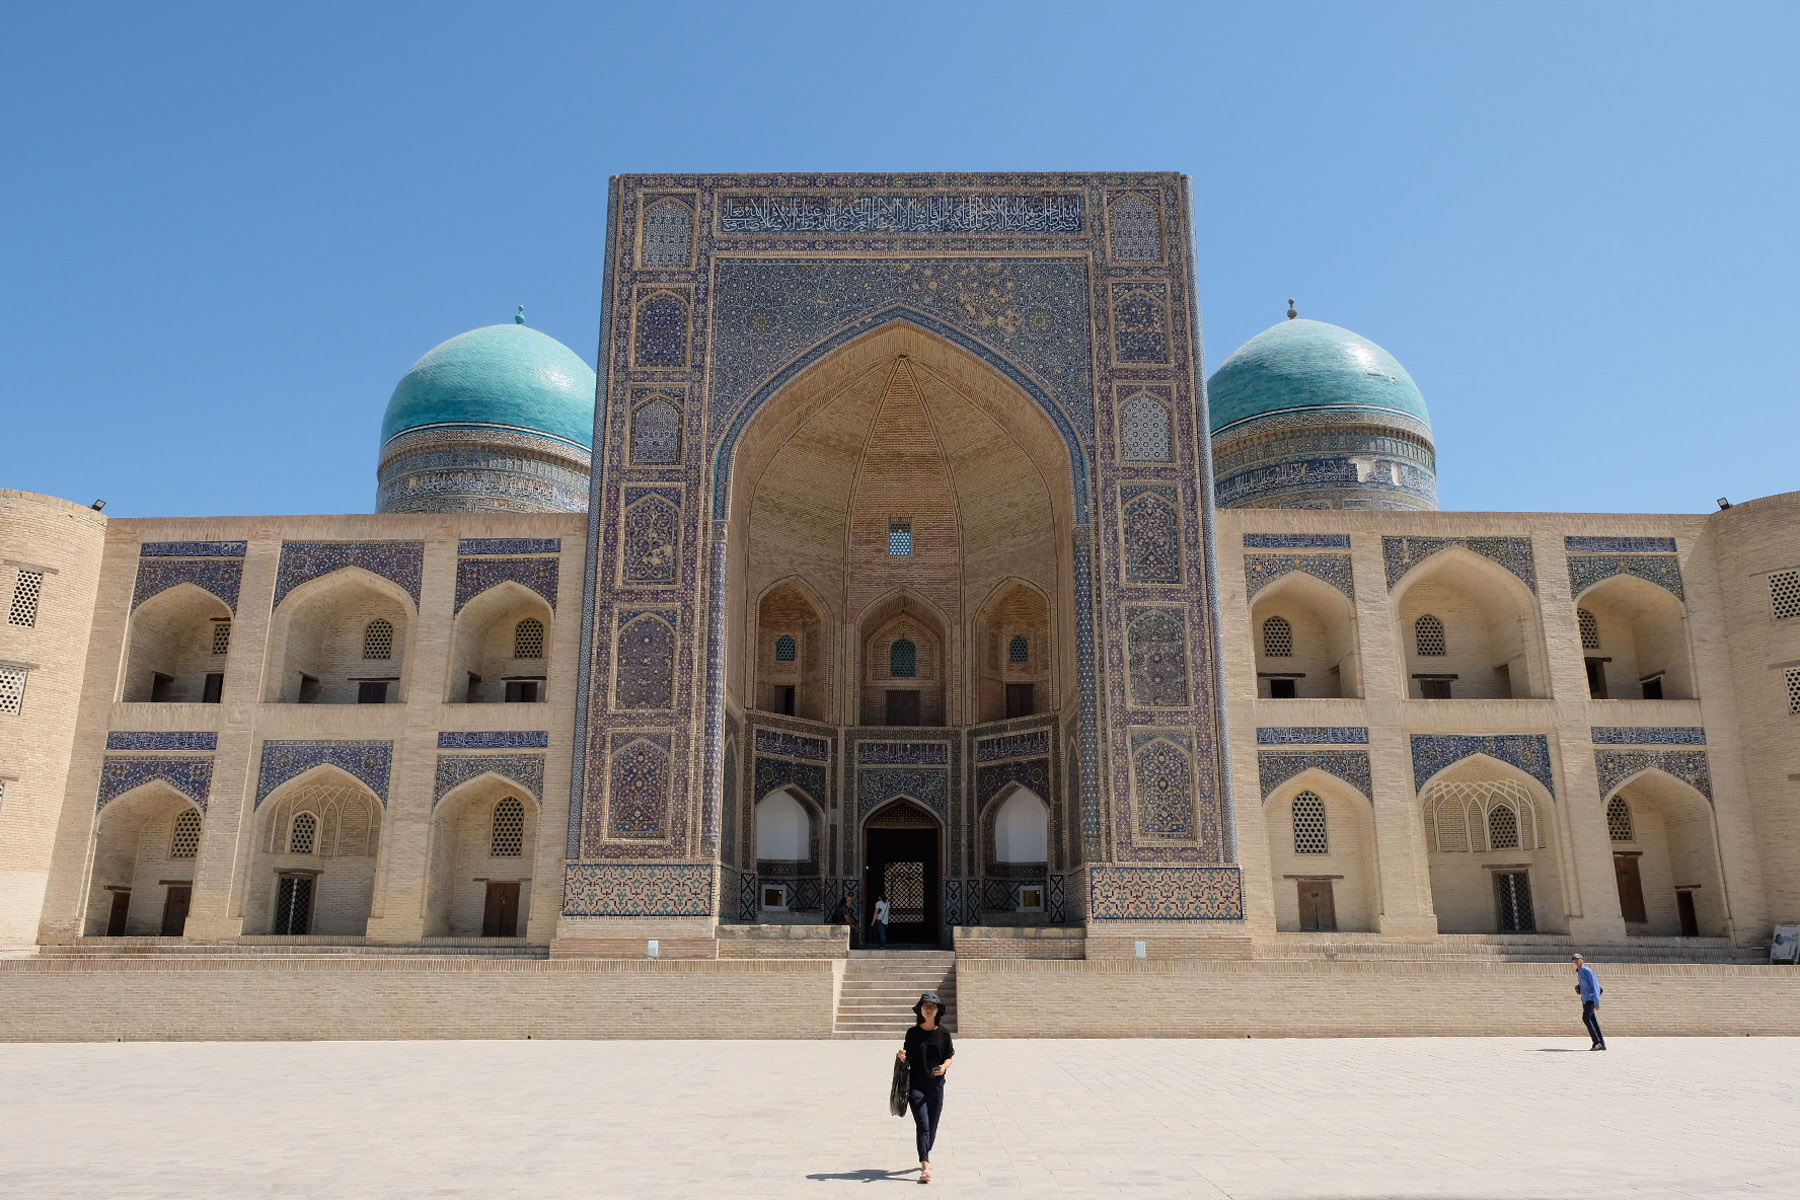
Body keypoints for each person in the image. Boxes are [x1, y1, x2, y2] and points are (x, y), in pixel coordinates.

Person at [896, 991, 954, 1184]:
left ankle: (925, 1151)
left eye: (932, 1006)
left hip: (936, 1086)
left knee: (933, 1125)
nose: (929, 1009)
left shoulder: (944, 1033)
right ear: (920, 1009)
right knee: (923, 1125)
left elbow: (950, 1056)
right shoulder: (912, 1033)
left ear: (937, 1010)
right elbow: (907, 1055)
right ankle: (925, 1164)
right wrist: (902, 1056)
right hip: (916, 1086)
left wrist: (944, 1067)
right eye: (926, 1006)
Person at [1574, 953, 1606, 1050]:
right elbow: (1585, 984)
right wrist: (1578, 987)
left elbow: (1595, 986)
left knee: (1586, 1018)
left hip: (1590, 999)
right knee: (1593, 1021)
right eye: (1575, 960)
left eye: (1578, 959)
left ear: (1582, 960)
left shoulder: (1587, 971)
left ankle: (1596, 1042)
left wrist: (1596, 1002)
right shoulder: (1579, 971)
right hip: (1585, 999)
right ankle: (1601, 1044)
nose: (1576, 961)